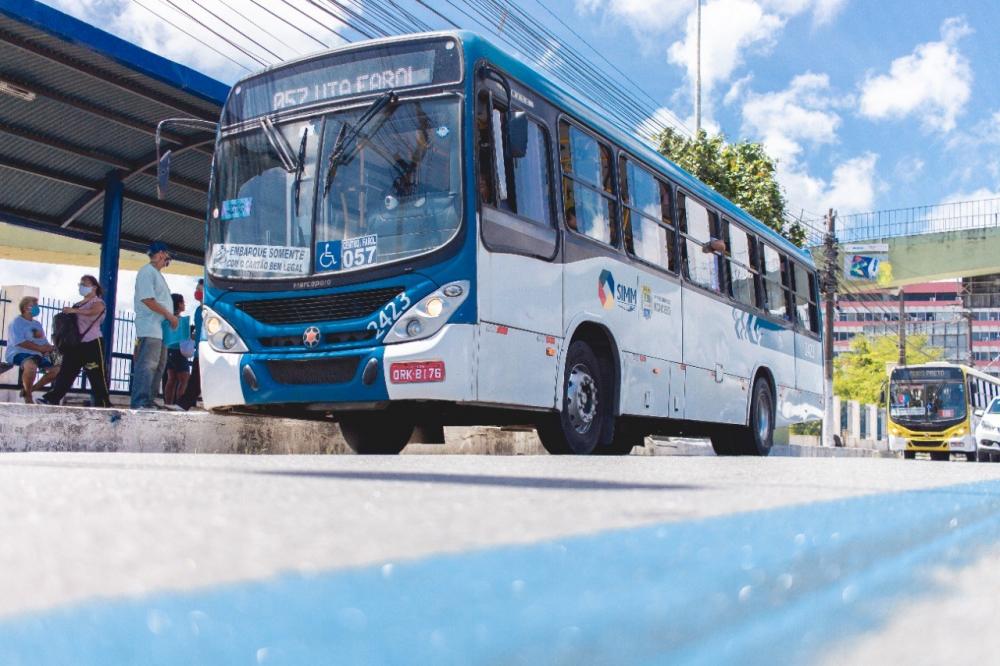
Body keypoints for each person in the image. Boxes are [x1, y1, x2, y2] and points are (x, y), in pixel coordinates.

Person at [38, 275, 112, 407]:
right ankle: (52, 398)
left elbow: (94, 312)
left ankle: (104, 402)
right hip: (76, 344)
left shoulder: (97, 302)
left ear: (94, 287)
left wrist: (74, 311)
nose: (82, 286)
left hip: (92, 343)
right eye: (81, 283)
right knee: (66, 372)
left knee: (96, 374)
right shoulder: (78, 304)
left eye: (85, 284)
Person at [130, 241, 178, 409]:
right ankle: (140, 401)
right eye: (167, 256)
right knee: (147, 365)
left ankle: (149, 400)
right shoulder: (146, 272)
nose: (168, 260)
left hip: (160, 329)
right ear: (159, 254)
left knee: (158, 366)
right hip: (150, 328)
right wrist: (169, 315)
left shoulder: (156, 274)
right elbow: (147, 299)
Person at [5, 296, 60, 404]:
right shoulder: (16, 322)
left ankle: (30, 389)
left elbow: (43, 341)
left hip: (37, 355)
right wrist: (40, 348)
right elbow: (19, 342)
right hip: (18, 353)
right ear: (25, 307)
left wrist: (49, 348)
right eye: (34, 305)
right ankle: (28, 396)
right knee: (31, 366)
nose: (37, 307)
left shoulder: (37, 324)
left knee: (57, 370)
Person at [176, 279, 204, 411]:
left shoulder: (211, 309)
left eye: (200, 289)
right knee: (195, 380)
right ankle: (187, 403)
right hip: (199, 350)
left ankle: (184, 404)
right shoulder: (198, 310)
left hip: (207, 350)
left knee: (195, 380)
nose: (197, 292)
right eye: (197, 289)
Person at [163, 293, 190, 406]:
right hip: (180, 351)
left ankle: (168, 403)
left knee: (171, 379)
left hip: (169, 351)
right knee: (184, 380)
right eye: (183, 302)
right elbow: (186, 337)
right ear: (179, 304)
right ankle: (179, 404)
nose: (184, 304)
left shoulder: (166, 319)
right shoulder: (183, 320)